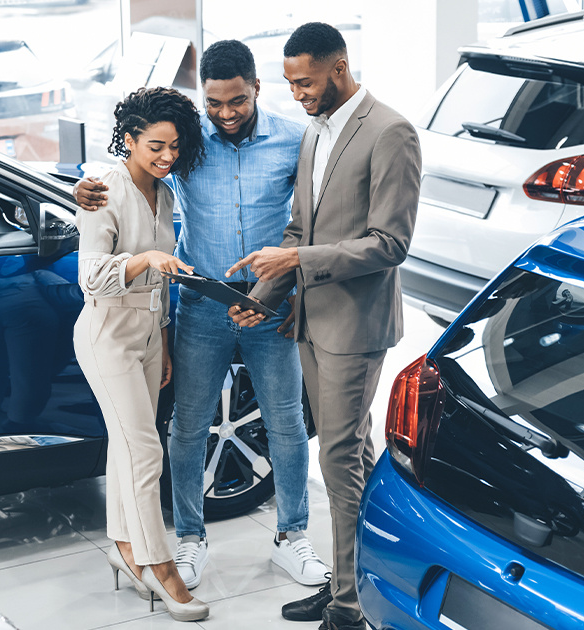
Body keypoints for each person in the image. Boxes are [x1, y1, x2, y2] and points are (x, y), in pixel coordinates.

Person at [74, 40, 328, 592]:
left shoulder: (294, 140)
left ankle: (292, 536)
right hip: (200, 302)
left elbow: (307, 223)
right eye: (214, 102)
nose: (226, 113)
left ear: (256, 87)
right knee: (187, 426)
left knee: (286, 423)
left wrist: (274, 287)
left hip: (269, 302)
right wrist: (83, 184)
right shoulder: (187, 145)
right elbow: (133, 166)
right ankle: (189, 539)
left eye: (236, 100)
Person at [226, 22, 422, 630]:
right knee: (352, 454)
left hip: (354, 327)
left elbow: (390, 243)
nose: (296, 94)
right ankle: (352, 581)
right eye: (289, 84)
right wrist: (262, 296)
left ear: (338, 68)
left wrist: (299, 261)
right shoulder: (316, 132)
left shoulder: (390, 132)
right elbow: (300, 231)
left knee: (338, 459)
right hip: (308, 320)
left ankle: (348, 608)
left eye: (305, 82)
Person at [73, 86, 208, 622]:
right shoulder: (104, 189)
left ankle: (124, 547)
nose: (167, 156)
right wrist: (144, 257)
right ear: (128, 137)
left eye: (175, 146)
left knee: (126, 447)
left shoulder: (165, 193)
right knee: (146, 452)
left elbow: (164, 282)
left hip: (151, 336)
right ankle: (158, 562)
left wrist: (166, 342)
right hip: (108, 334)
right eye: (155, 145)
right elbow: (92, 277)